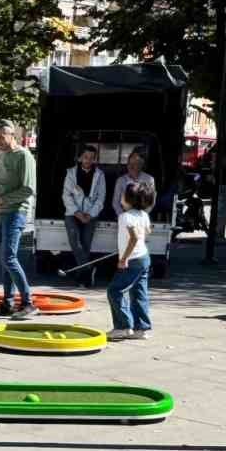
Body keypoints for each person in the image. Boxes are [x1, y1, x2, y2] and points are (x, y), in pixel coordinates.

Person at [0, 120, 35, 317]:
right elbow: (2, 185)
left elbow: (28, 189)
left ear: (11, 135)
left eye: (1, 137)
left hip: (16, 212)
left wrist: (2, 199)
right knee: (5, 259)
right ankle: (7, 303)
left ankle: (28, 303)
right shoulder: (3, 155)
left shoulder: (24, 155)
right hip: (1, 212)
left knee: (9, 258)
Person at [106, 177, 156, 340]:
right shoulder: (143, 214)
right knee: (139, 293)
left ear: (128, 200)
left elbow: (134, 238)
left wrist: (123, 258)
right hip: (144, 258)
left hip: (133, 259)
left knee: (114, 291)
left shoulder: (125, 217)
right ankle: (141, 329)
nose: (120, 197)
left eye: (122, 195)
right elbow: (148, 231)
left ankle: (123, 326)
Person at [62, 145, 106, 282]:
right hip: (72, 213)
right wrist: (77, 213)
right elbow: (66, 195)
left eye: (92, 158)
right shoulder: (71, 173)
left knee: (86, 245)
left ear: (95, 160)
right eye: (86, 157)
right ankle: (89, 269)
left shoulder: (100, 175)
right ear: (80, 158)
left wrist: (90, 214)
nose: (88, 160)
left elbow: (101, 198)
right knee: (75, 242)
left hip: (90, 215)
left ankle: (84, 278)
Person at [112, 148, 155, 219]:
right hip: (124, 216)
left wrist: (141, 217)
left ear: (141, 165)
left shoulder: (149, 179)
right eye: (129, 164)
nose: (131, 166)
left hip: (142, 217)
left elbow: (151, 202)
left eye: (135, 164)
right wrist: (123, 216)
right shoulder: (120, 180)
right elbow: (115, 202)